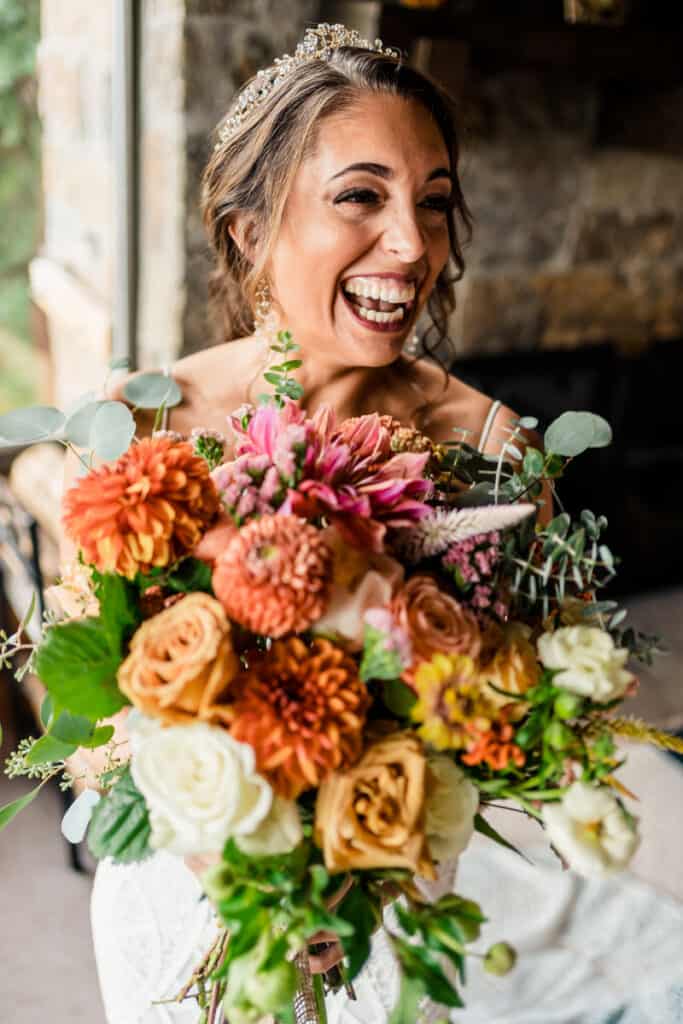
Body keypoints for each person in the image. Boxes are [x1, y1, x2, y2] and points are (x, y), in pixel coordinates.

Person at [75, 23, 550, 1024]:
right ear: (249, 229)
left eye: (430, 202)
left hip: (377, 904)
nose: (413, 246)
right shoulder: (146, 423)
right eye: (359, 197)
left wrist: (360, 867)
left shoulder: (493, 450)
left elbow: (514, 721)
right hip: (181, 894)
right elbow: (86, 714)